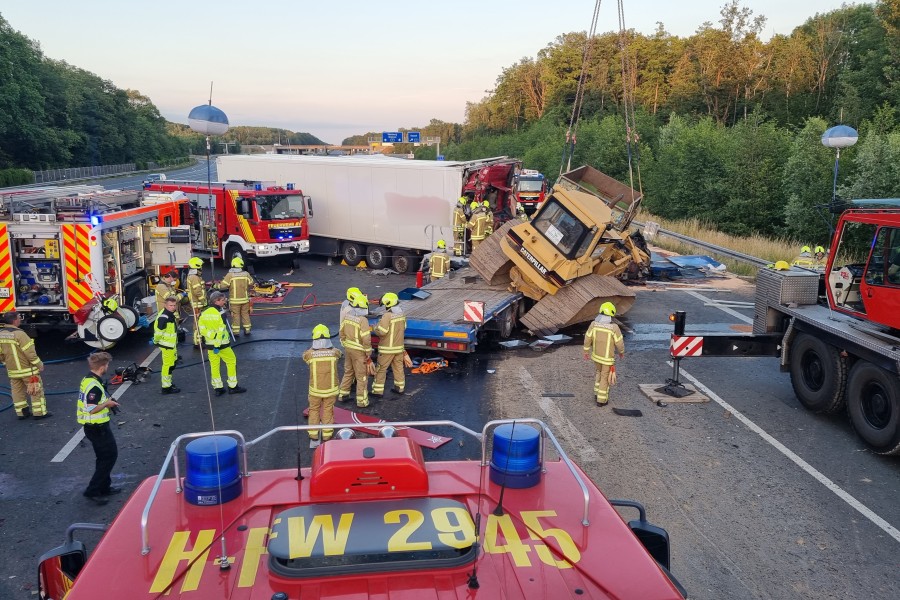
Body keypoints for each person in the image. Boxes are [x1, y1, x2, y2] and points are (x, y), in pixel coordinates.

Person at [77, 351, 120, 506]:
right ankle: (93, 490)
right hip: (96, 427)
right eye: (107, 364)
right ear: (102, 367)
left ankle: (104, 486)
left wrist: (107, 400)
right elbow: (91, 408)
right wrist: (107, 404)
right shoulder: (94, 385)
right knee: (109, 456)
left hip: (96, 427)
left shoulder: (90, 379)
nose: (108, 367)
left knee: (104, 457)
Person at [0, 311, 49, 420]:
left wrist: (5, 361)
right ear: (14, 320)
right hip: (27, 370)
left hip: (12, 371)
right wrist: (39, 364)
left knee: (17, 391)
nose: (20, 319)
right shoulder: (20, 334)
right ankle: (39, 413)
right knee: (35, 390)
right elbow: (30, 353)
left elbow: (1, 354)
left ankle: (22, 413)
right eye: (19, 318)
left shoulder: (1, 334)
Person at [197, 291, 246, 395]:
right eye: (223, 300)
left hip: (209, 345)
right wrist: (217, 345)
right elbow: (221, 331)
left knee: (214, 366)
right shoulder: (220, 313)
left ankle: (218, 388)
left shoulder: (203, 312)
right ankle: (233, 386)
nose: (225, 302)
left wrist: (211, 338)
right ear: (216, 301)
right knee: (231, 361)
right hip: (221, 345)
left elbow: (202, 329)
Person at [303, 324, 342, 448]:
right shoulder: (334, 352)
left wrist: (314, 351)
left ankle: (313, 434)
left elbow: (304, 356)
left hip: (315, 390)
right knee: (328, 410)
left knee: (314, 410)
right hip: (331, 390)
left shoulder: (309, 354)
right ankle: (327, 434)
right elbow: (339, 354)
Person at [583, 302, 625, 407]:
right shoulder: (614, 328)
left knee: (598, 372)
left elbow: (587, 338)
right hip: (607, 359)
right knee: (605, 377)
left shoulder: (593, 324)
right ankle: (601, 400)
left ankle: (597, 393)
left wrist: (586, 351)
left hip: (596, 356)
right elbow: (619, 343)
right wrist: (621, 352)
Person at [338, 294, 372, 407]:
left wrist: (344, 343)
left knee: (348, 372)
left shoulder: (347, 316)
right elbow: (366, 338)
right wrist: (368, 352)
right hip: (359, 352)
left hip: (348, 349)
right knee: (361, 376)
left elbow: (341, 331)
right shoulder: (363, 320)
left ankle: (343, 394)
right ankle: (361, 401)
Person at [371, 292, 407, 398]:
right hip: (399, 348)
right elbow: (404, 327)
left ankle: (377, 391)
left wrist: (375, 327)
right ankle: (400, 388)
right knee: (398, 368)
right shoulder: (401, 314)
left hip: (387, 349)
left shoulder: (387, 316)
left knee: (381, 369)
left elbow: (382, 331)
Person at [218, 256, 254, 336]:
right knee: (245, 314)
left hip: (234, 301)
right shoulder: (246, 274)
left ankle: (236, 332)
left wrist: (216, 286)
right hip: (245, 299)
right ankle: (247, 330)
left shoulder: (230, 275)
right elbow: (251, 283)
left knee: (235, 316)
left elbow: (223, 286)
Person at [154, 297, 180, 395]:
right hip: (167, 345)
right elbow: (159, 332)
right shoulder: (164, 317)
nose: (173, 307)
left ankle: (168, 383)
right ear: (165, 305)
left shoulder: (169, 314)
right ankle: (166, 387)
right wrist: (156, 341)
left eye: (174, 305)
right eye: (171, 305)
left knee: (171, 365)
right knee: (168, 366)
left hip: (171, 345)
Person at [186, 257, 207, 347]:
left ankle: (200, 340)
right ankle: (198, 342)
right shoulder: (194, 277)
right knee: (198, 323)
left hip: (197, 303)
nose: (202, 268)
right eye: (201, 266)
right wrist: (204, 301)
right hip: (198, 304)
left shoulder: (193, 276)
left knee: (199, 322)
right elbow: (198, 291)